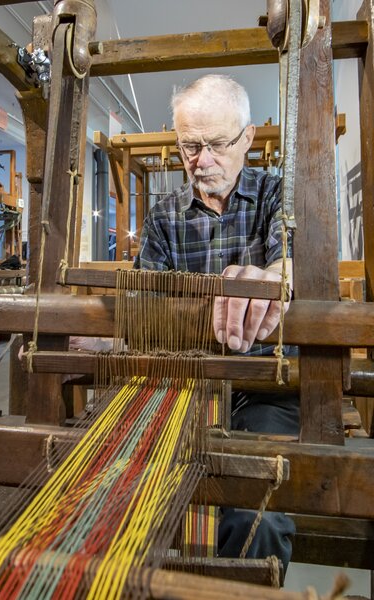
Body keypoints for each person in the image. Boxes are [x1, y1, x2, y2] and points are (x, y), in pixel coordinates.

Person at [134, 74, 297, 574]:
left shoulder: (277, 196)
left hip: (264, 389)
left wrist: (270, 280)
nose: (200, 161)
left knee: (257, 520)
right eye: (188, 146)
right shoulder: (164, 215)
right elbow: (142, 306)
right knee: (120, 492)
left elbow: (292, 262)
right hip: (182, 385)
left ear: (248, 137)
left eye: (216, 145)